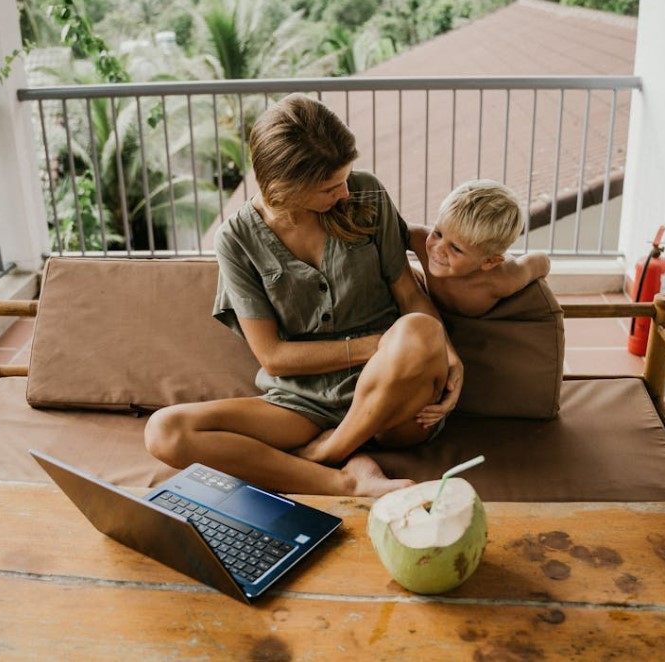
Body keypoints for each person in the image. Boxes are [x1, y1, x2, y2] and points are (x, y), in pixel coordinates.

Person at [145, 94, 462, 498]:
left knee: (419, 329)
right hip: (303, 404)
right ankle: (344, 481)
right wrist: (378, 346)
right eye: (330, 187)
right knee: (165, 432)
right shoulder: (237, 239)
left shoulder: (366, 196)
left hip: (394, 400)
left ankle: (329, 451)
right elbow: (274, 358)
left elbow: (408, 294)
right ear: (284, 190)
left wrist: (449, 354)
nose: (345, 192)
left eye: (345, 178)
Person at [407, 179, 551, 318]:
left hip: (484, 322)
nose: (438, 248)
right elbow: (389, 225)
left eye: (456, 248)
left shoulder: (504, 279)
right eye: (438, 233)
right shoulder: (421, 240)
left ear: (489, 262)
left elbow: (542, 261)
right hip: (435, 312)